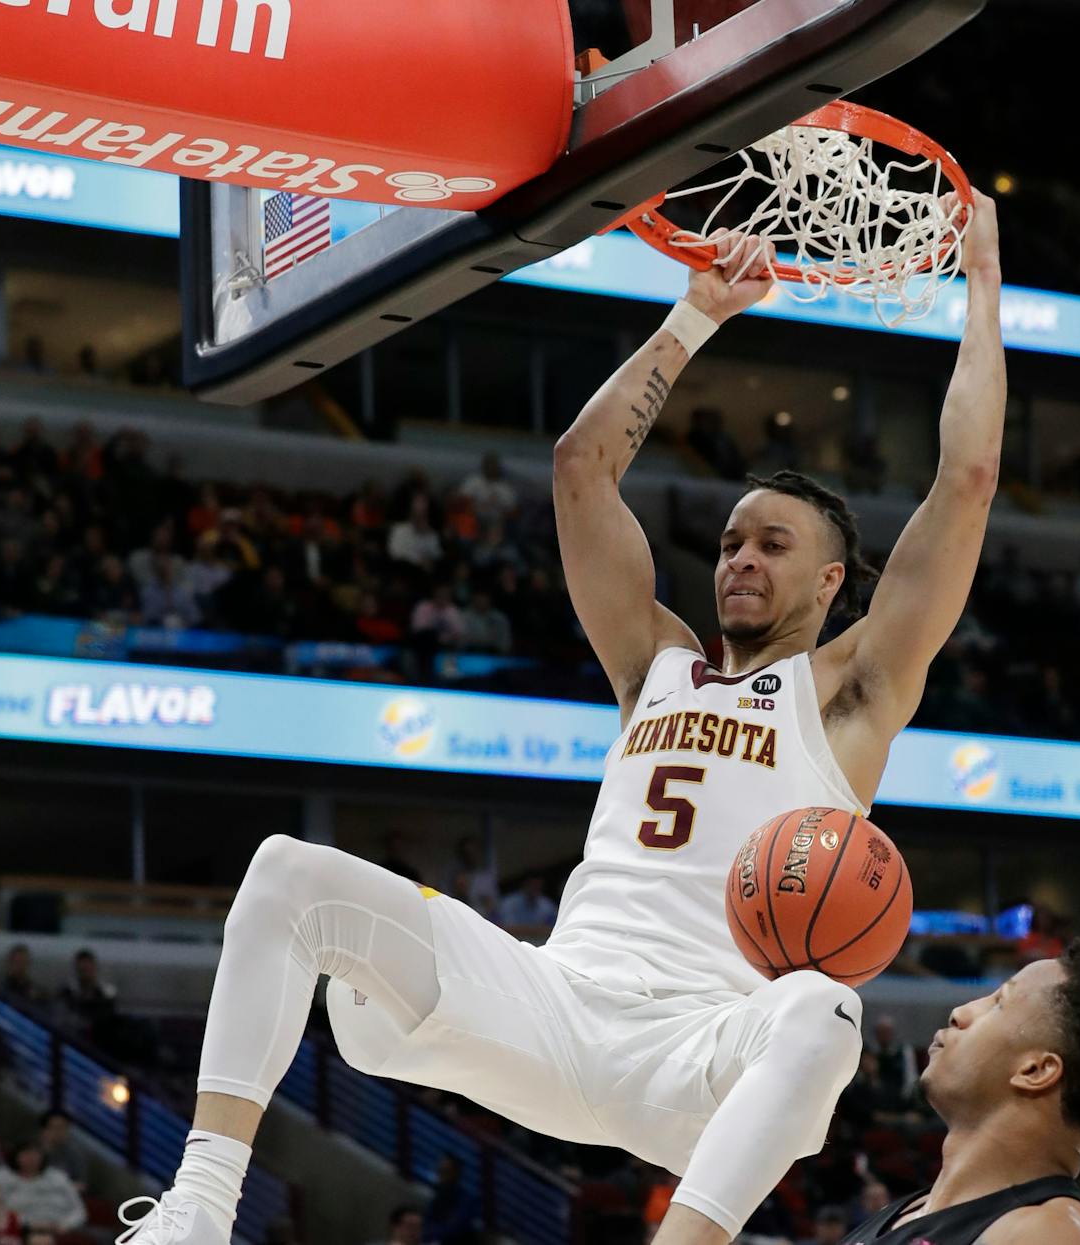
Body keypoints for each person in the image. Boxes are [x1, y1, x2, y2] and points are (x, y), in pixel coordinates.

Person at [117, 195, 1007, 1245]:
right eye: (728, 541)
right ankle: (198, 1211)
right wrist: (694, 314)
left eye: (770, 544)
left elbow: (964, 483)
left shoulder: (850, 693)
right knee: (286, 873)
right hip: (549, 1006)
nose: (739, 559)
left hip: (698, 1051)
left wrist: (981, 282)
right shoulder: (653, 666)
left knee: (824, 1012)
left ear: (827, 580)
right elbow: (580, 468)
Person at [840, 939, 1080, 1245]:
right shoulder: (906, 1211)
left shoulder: (1051, 1232)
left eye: (998, 1002)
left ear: (1035, 1070)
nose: (960, 1013)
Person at [0, 1144, 85, 1236]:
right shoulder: (1, 1177)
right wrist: (27, 1225)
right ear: (16, 1156)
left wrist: (66, 1225)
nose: (31, 1158)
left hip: (61, 1229)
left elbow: (79, 1210)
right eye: (26, 1154)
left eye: (35, 1154)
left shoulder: (58, 1177)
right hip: (20, 1230)